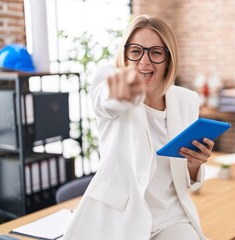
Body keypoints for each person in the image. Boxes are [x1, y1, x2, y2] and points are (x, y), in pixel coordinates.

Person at [62, 14, 214, 240]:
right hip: (121, 220)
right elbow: (106, 100)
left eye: (155, 52)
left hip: (171, 219)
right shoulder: (109, 82)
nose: (144, 61)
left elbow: (184, 181)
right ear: (125, 56)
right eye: (136, 51)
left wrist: (193, 165)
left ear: (168, 59)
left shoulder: (186, 101)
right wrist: (122, 91)